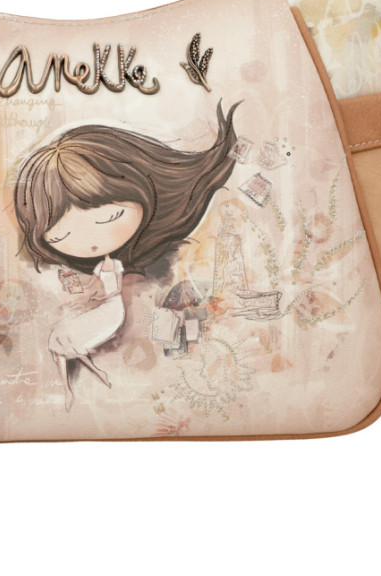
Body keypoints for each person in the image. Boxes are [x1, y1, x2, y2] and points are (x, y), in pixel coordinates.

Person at [14, 102, 239, 409]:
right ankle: (75, 386)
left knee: (71, 340)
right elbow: (96, 288)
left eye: (110, 217)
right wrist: (83, 292)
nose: (92, 242)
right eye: (60, 236)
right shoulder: (93, 269)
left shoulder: (159, 270)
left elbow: (119, 295)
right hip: (108, 319)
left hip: (127, 329)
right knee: (66, 340)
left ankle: (78, 383)